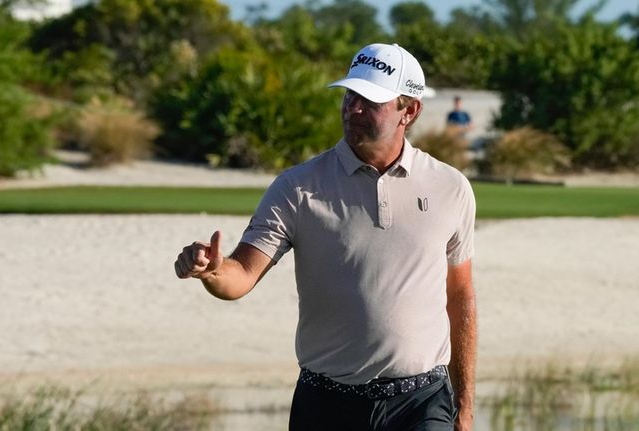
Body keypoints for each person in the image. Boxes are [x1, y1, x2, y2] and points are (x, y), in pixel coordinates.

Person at [174, 43, 477, 431]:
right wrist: (211, 271)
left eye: (370, 101)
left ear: (410, 110)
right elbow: (241, 277)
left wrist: (464, 405)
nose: (353, 108)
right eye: (351, 95)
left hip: (422, 403)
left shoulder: (450, 187)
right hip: (327, 403)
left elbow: (460, 296)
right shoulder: (297, 187)